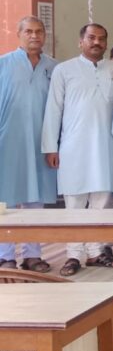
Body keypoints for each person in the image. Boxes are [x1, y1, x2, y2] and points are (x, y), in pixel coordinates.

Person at [42, 23, 113, 275]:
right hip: (73, 146)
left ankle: (96, 251)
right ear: (81, 42)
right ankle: (73, 254)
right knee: (75, 202)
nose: (96, 42)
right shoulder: (64, 70)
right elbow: (53, 109)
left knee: (103, 201)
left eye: (101, 38)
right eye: (91, 38)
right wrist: (51, 147)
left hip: (107, 146)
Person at [0, 16, 58, 272]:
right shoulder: (3, 64)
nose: (34, 36)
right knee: (6, 200)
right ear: (19, 34)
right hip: (7, 141)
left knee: (36, 200)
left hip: (41, 143)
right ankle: (5, 256)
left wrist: (54, 144)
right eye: (29, 31)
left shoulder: (54, 67)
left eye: (39, 31)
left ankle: (33, 255)